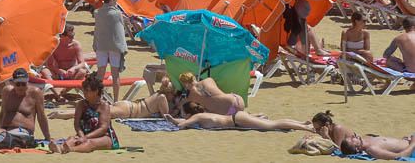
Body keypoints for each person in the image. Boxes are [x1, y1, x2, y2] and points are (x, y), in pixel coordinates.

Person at [0, 68, 57, 152]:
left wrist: (47, 137)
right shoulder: (7, 91)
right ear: (13, 83)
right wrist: (0, 129)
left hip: (24, 132)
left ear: (28, 82)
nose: (21, 87)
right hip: (6, 131)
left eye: (24, 84)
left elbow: (41, 117)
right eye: (18, 84)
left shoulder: (35, 93)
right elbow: (3, 112)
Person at [49, 77, 176, 120]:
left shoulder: (158, 94)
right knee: (94, 113)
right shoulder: (163, 98)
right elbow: (167, 116)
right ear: (170, 92)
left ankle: (62, 112)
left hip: (127, 105)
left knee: (95, 109)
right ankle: (61, 114)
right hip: (129, 111)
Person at [58, 73, 119, 153]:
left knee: (90, 143)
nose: (84, 93)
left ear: (96, 91)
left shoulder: (104, 106)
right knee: (71, 139)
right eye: (84, 90)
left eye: (87, 91)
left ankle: (71, 149)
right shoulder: (81, 104)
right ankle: (60, 148)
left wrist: (85, 137)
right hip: (84, 134)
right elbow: (77, 124)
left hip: (104, 137)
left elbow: (103, 128)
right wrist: (81, 136)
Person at [165, 102, 313, 131]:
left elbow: (182, 124)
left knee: (274, 125)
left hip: (238, 120)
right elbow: (184, 122)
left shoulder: (196, 118)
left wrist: (173, 121)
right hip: (237, 117)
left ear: (190, 114)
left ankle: (304, 126)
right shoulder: (202, 115)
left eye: (185, 114)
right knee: (274, 123)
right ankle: (302, 123)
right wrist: (172, 119)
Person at [93, 0, 127, 102]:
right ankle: (116, 100)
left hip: (101, 45)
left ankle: (97, 97)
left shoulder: (97, 12)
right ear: (112, 0)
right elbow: (121, 30)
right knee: (115, 74)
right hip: (114, 46)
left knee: (100, 73)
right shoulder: (117, 13)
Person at [178, 72, 245, 116]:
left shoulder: (191, 96)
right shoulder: (209, 80)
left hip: (230, 111)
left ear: (185, 84)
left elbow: (180, 107)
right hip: (237, 99)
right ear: (194, 77)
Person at [341, 133, 415, 160]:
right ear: (357, 149)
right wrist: (413, 143)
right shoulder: (373, 149)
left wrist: (404, 140)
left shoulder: (367, 139)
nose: (353, 136)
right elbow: (400, 156)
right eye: (351, 139)